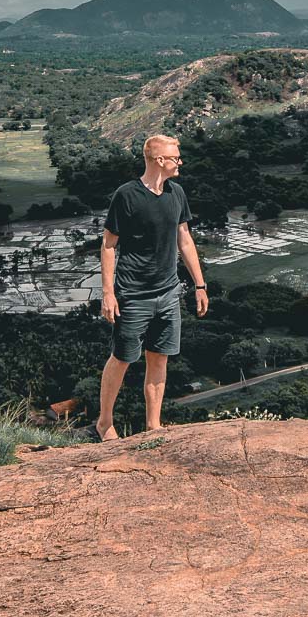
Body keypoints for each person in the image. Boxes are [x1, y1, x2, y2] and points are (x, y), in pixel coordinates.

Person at [93, 133, 207, 440]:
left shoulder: (177, 193)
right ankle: (104, 422)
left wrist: (199, 284)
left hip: (168, 293)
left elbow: (184, 239)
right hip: (132, 294)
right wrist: (108, 293)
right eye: (175, 157)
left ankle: (153, 426)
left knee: (159, 358)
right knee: (123, 358)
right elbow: (108, 245)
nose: (180, 162)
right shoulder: (126, 196)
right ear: (159, 160)